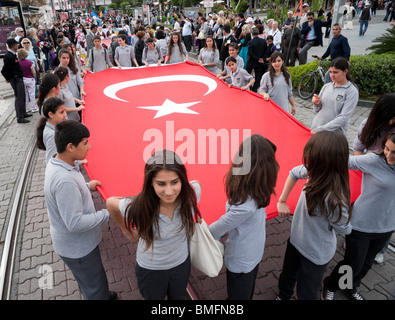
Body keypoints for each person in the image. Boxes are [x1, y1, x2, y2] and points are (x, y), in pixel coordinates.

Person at [106, 150, 201, 300]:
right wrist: (127, 232)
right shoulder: (138, 206)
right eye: (161, 184)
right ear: (150, 182)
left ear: (182, 179)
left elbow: (196, 184)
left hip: (181, 264)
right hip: (151, 271)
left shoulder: (192, 194)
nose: (169, 191)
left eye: (175, 182)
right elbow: (111, 203)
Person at [44, 120, 116, 300]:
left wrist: (86, 185)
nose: (89, 146)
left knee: (90, 281)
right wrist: (109, 213)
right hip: (79, 248)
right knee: (94, 286)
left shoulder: (58, 163)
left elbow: (69, 192)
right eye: (85, 143)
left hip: (75, 246)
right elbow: (74, 223)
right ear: (70, 147)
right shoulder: (64, 180)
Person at [276, 131, 352, 300]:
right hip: (296, 240)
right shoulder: (314, 171)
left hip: (316, 254)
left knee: (307, 291)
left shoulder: (335, 199)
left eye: (313, 159)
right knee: (287, 276)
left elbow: (345, 229)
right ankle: (283, 296)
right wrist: (282, 200)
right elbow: (293, 173)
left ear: (327, 163)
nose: (307, 163)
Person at [323, 128, 395, 300]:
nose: (389, 155)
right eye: (386, 148)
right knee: (353, 263)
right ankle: (331, 284)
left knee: (366, 264)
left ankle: (350, 286)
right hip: (361, 224)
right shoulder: (373, 160)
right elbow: (343, 162)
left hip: (386, 227)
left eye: (394, 152)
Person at [208, 134, 278, 300]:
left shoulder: (248, 187)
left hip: (250, 255)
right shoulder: (247, 205)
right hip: (243, 261)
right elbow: (216, 229)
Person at [352, 94, 395, 264]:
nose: (391, 122)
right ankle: (354, 242)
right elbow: (357, 150)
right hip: (369, 175)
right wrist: (366, 166)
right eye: (389, 118)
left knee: (387, 212)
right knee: (353, 258)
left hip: (389, 183)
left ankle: (379, 248)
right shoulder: (367, 125)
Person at [311, 57, 359, 136]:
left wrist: (322, 129)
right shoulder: (326, 86)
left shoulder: (351, 91)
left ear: (345, 71)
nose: (332, 75)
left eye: (335, 72)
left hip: (334, 136)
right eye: (330, 72)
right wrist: (316, 103)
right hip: (317, 129)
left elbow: (343, 117)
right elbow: (316, 110)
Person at [1, 38, 31, 123]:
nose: (17, 46)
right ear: (13, 45)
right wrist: (8, 78)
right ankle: (20, 117)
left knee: (23, 96)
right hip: (16, 79)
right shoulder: (8, 56)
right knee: (19, 97)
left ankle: (24, 112)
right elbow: (4, 70)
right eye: (16, 44)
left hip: (19, 78)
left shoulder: (13, 54)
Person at [35, 97, 67, 164]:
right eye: (61, 112)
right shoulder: (52, 135)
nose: (65, 115)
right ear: (51, 114)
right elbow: (51, 160)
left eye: (65, 111)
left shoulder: (56, 127)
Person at [245, 27, 267, 93]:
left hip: (252, 61)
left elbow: (250, 53)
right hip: (260, 62)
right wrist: (262, 58)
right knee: (258, 76)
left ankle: (249, 86)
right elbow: (266, 51)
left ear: (252, 34)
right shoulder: (263, 41)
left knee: (247, 75)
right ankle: (254, 89)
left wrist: (256, 58)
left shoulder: (250, 42)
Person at [17, 48, 39, 113]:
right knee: (32, 94)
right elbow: (34, 71)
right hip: (30, 78)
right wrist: (33, 77)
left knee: (25, 95)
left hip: (23, 79)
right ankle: (34, 108)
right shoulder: (29, 62)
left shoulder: (18, 63)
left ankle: (26, 108)